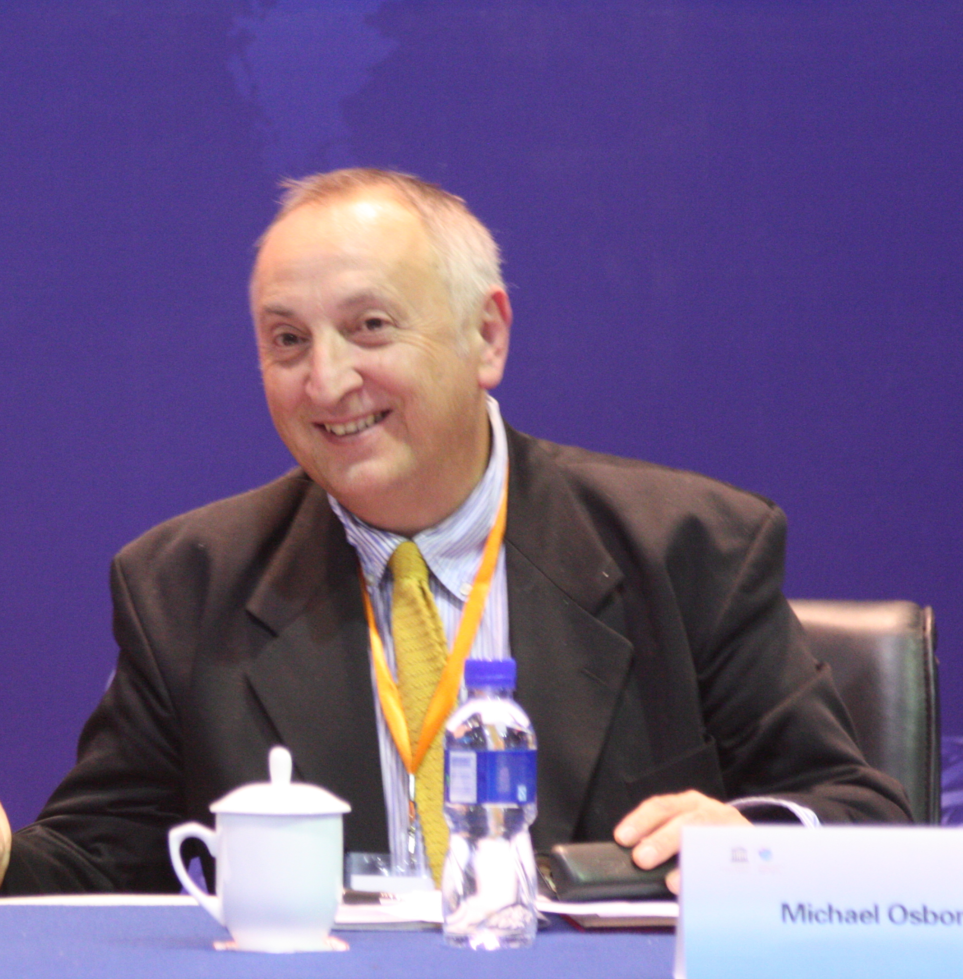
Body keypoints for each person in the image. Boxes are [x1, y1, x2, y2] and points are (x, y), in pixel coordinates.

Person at [0, 169, 909, 896]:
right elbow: (94, 867)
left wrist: (749, 841)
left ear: (487, 336)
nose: (326, 381)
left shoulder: (692, 548)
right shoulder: (186, 587)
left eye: (369, 327)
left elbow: (861, 816)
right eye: (287, 340)